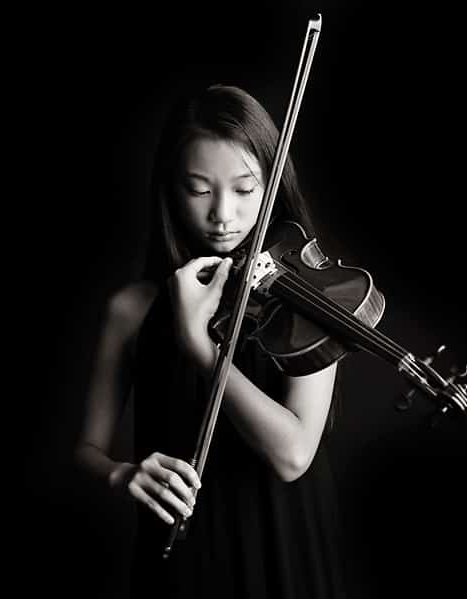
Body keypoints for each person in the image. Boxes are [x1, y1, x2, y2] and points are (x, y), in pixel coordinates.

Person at [75, 84, 347, 599]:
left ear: (272, 185)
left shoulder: (311, 296)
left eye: (245, 190)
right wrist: (120, 475)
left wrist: (199, 346)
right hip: (183, 567)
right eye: (199, 189)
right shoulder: (130, 308)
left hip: (287, 561)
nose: (222, 213)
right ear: (170, 189)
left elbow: (292, 455)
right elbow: (86, 450)